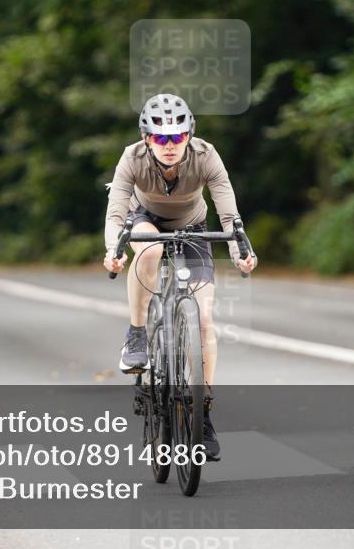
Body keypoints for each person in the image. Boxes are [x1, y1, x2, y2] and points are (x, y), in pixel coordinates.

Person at [103, 94, 257, 459]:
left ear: (190, 134)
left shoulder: (206, 156)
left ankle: (202, 414)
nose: (169, 145)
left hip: (193, 227)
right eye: (160, 138)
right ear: (147, 139)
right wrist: (114, 251)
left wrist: (241, 252)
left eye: (177, 137)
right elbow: (114, 213)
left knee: (204, 319)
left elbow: (229, 214)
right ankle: (137, 334)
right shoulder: (132, 158)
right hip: (143, 221)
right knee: (152, 249)